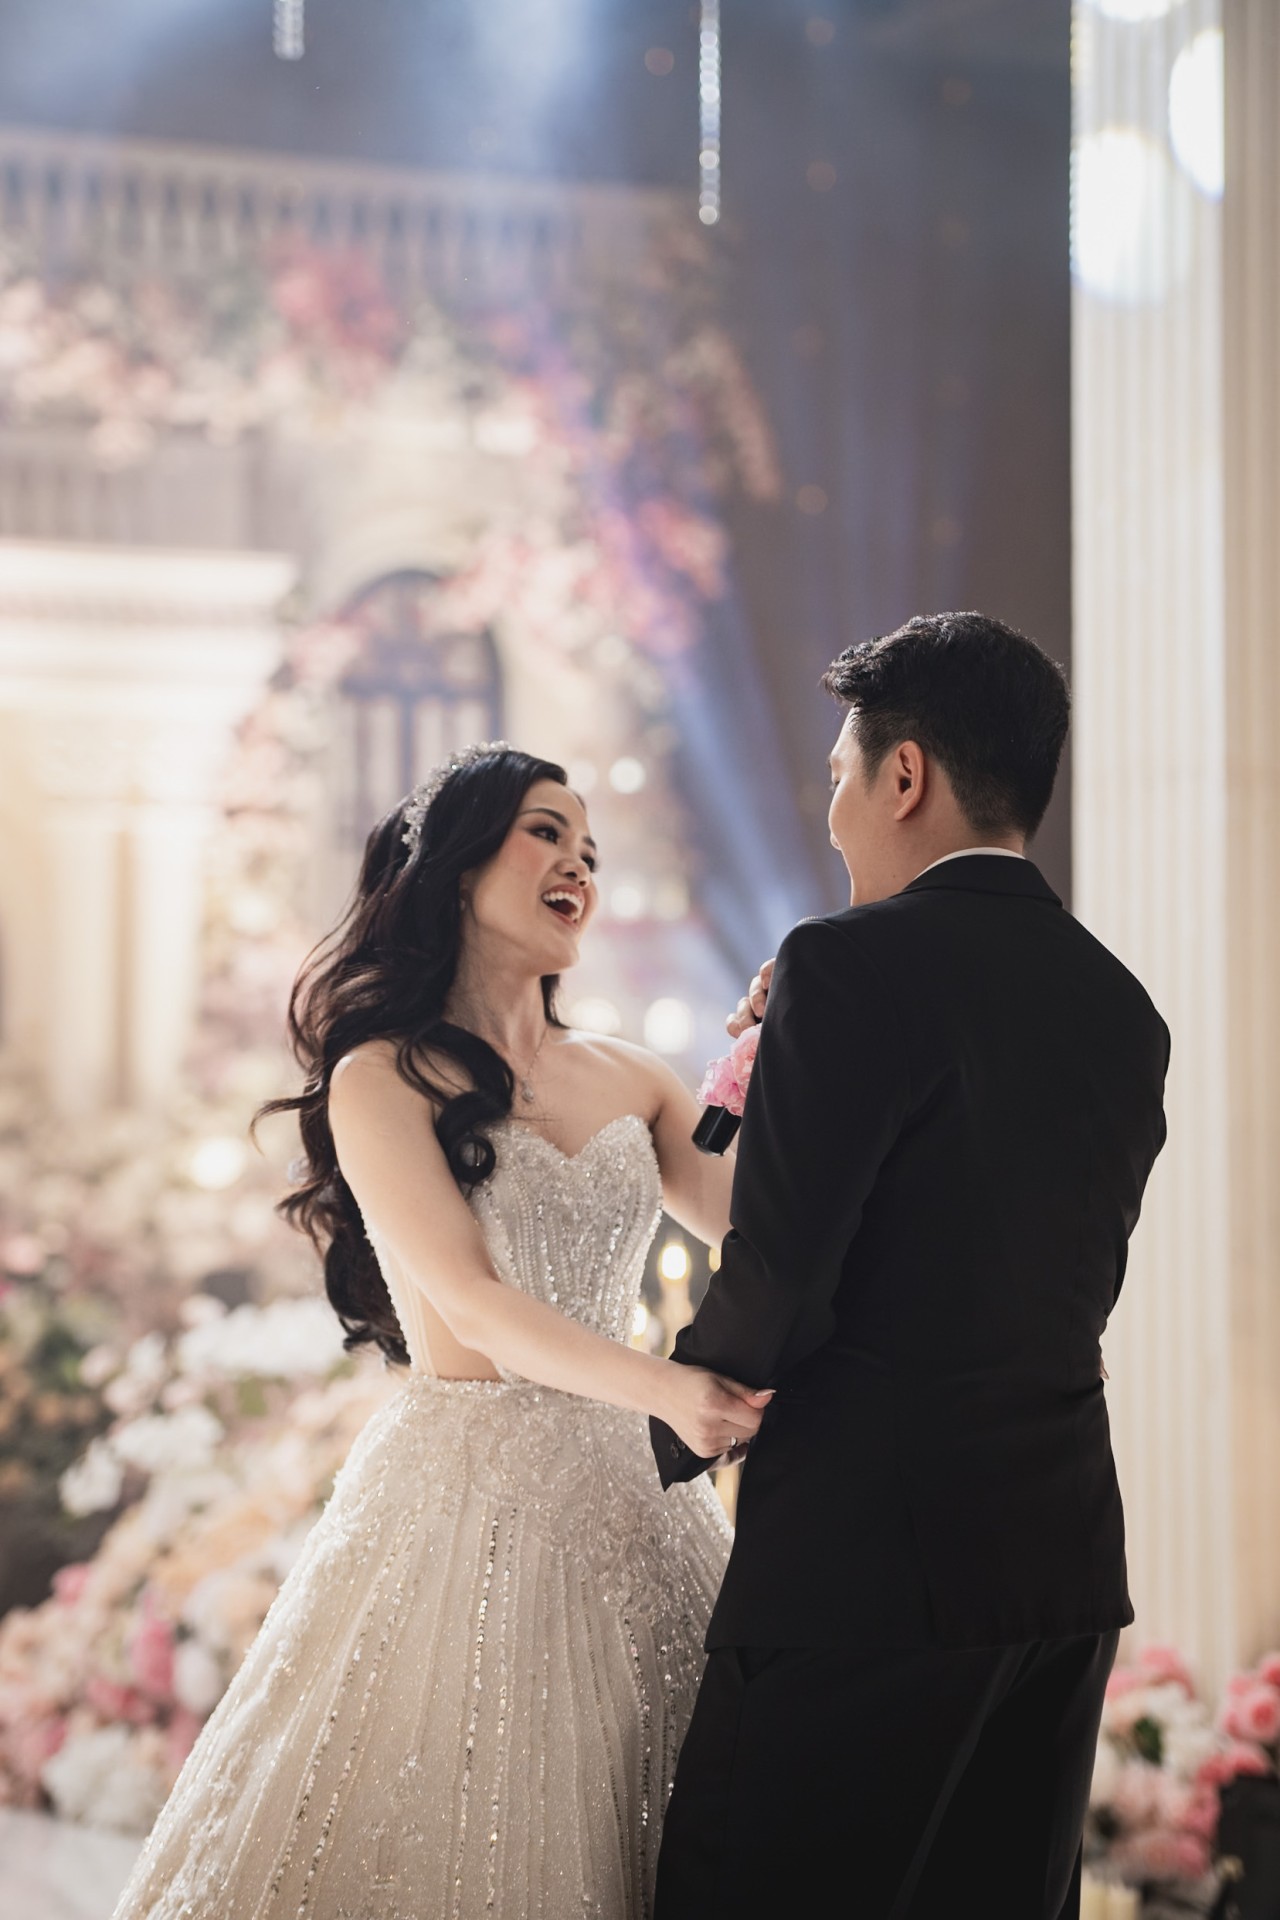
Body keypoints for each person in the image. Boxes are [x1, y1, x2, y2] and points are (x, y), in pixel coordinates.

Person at [111, 743, 768, 1920]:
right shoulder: (380, 1077)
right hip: (465, 1498)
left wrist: (779, 1056)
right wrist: (668, 1390)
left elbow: (754, 1221)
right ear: (458, 867)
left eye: (589, 850)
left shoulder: (630, 1076)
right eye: (544, 832)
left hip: (636, 1503)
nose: (578, 865)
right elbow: (470, 1303)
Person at [651, 613, 1171, 1920]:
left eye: (839, 776)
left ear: (904, 775)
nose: (833, 818)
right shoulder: (1123, 1007)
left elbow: (782, 1273)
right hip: (1057, 1567)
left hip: (863, 1569)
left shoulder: (844, 964)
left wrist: (658, 1421)